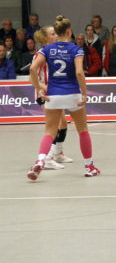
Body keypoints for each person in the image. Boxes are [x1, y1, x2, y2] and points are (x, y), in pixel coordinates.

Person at [27, 15, 100, 180]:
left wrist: (39, 89)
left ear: (57, 32)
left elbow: (32, 70)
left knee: (49, 132)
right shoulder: (76, 49)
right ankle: (89, 166)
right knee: (83, 131)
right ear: (69, 31)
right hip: (73, 94)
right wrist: (85, 93)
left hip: (53, 95)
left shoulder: (46, 50)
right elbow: (79, 72)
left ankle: (40, 160)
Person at [33, 26, 72, 170]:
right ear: (45, 38)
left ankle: (58, 153)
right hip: (44, 95)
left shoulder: (55, 52)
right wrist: (42, 87)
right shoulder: (40, 54)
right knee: (54, 126)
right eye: (52, 34)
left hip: (55, 94)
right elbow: (33, 77)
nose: (56, 35)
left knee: (63, 124)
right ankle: (48, 158)